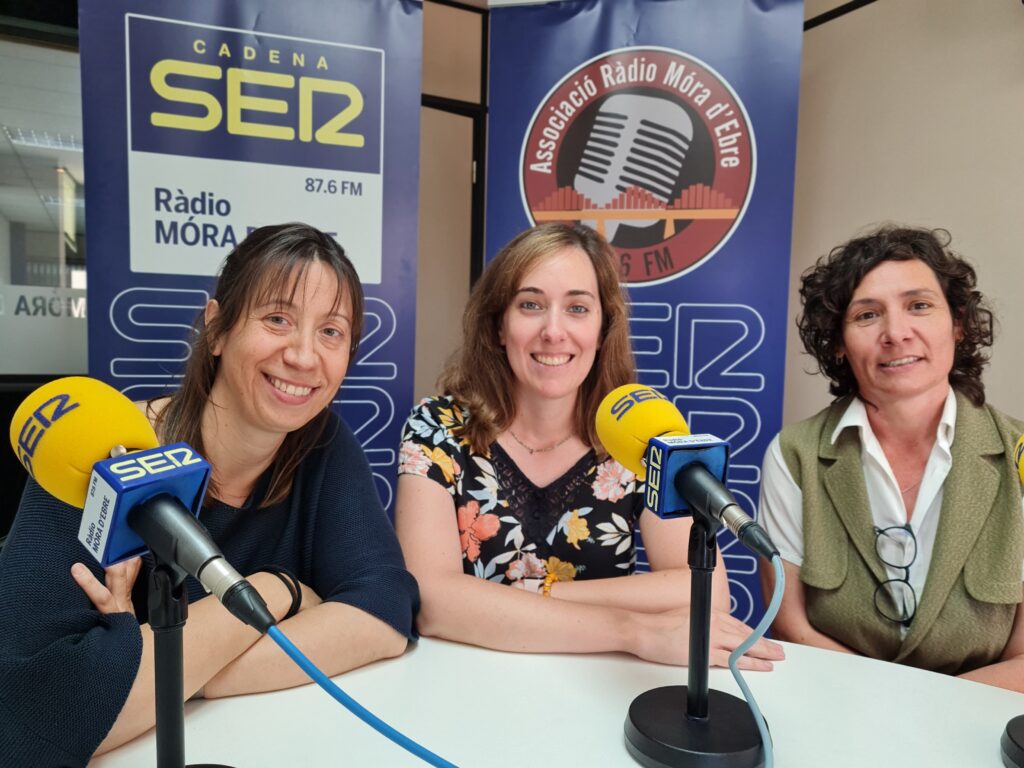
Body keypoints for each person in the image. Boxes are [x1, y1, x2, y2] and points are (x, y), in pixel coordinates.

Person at [0, 224, 419, 764]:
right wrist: (277, 591)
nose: (303, 356)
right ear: (217, 329)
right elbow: (31, 716)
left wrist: (168, 667)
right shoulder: (96, 453)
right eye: (277, 319)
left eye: (332, 332)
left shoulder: (321, 444)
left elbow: (386, 612)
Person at [395, 222, 783, 668]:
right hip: (461, 683)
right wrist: (633, 629)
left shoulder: (641, 434)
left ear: (602, 330)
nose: (553, 331)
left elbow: (709, 592)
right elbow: (430, 598)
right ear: (499, 325)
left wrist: (542, 592)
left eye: (577, 308)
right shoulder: (438, 427)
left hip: (598, 690)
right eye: (530, 304)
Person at [759, 224, 1024, 691]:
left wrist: (923, 714)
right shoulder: (793, 455)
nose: (896, 333)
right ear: (838, 343)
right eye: (866, 315)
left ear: (958, 324)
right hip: (834, 710)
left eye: (919, 306)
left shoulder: (1020, 455)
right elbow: (791, 627)